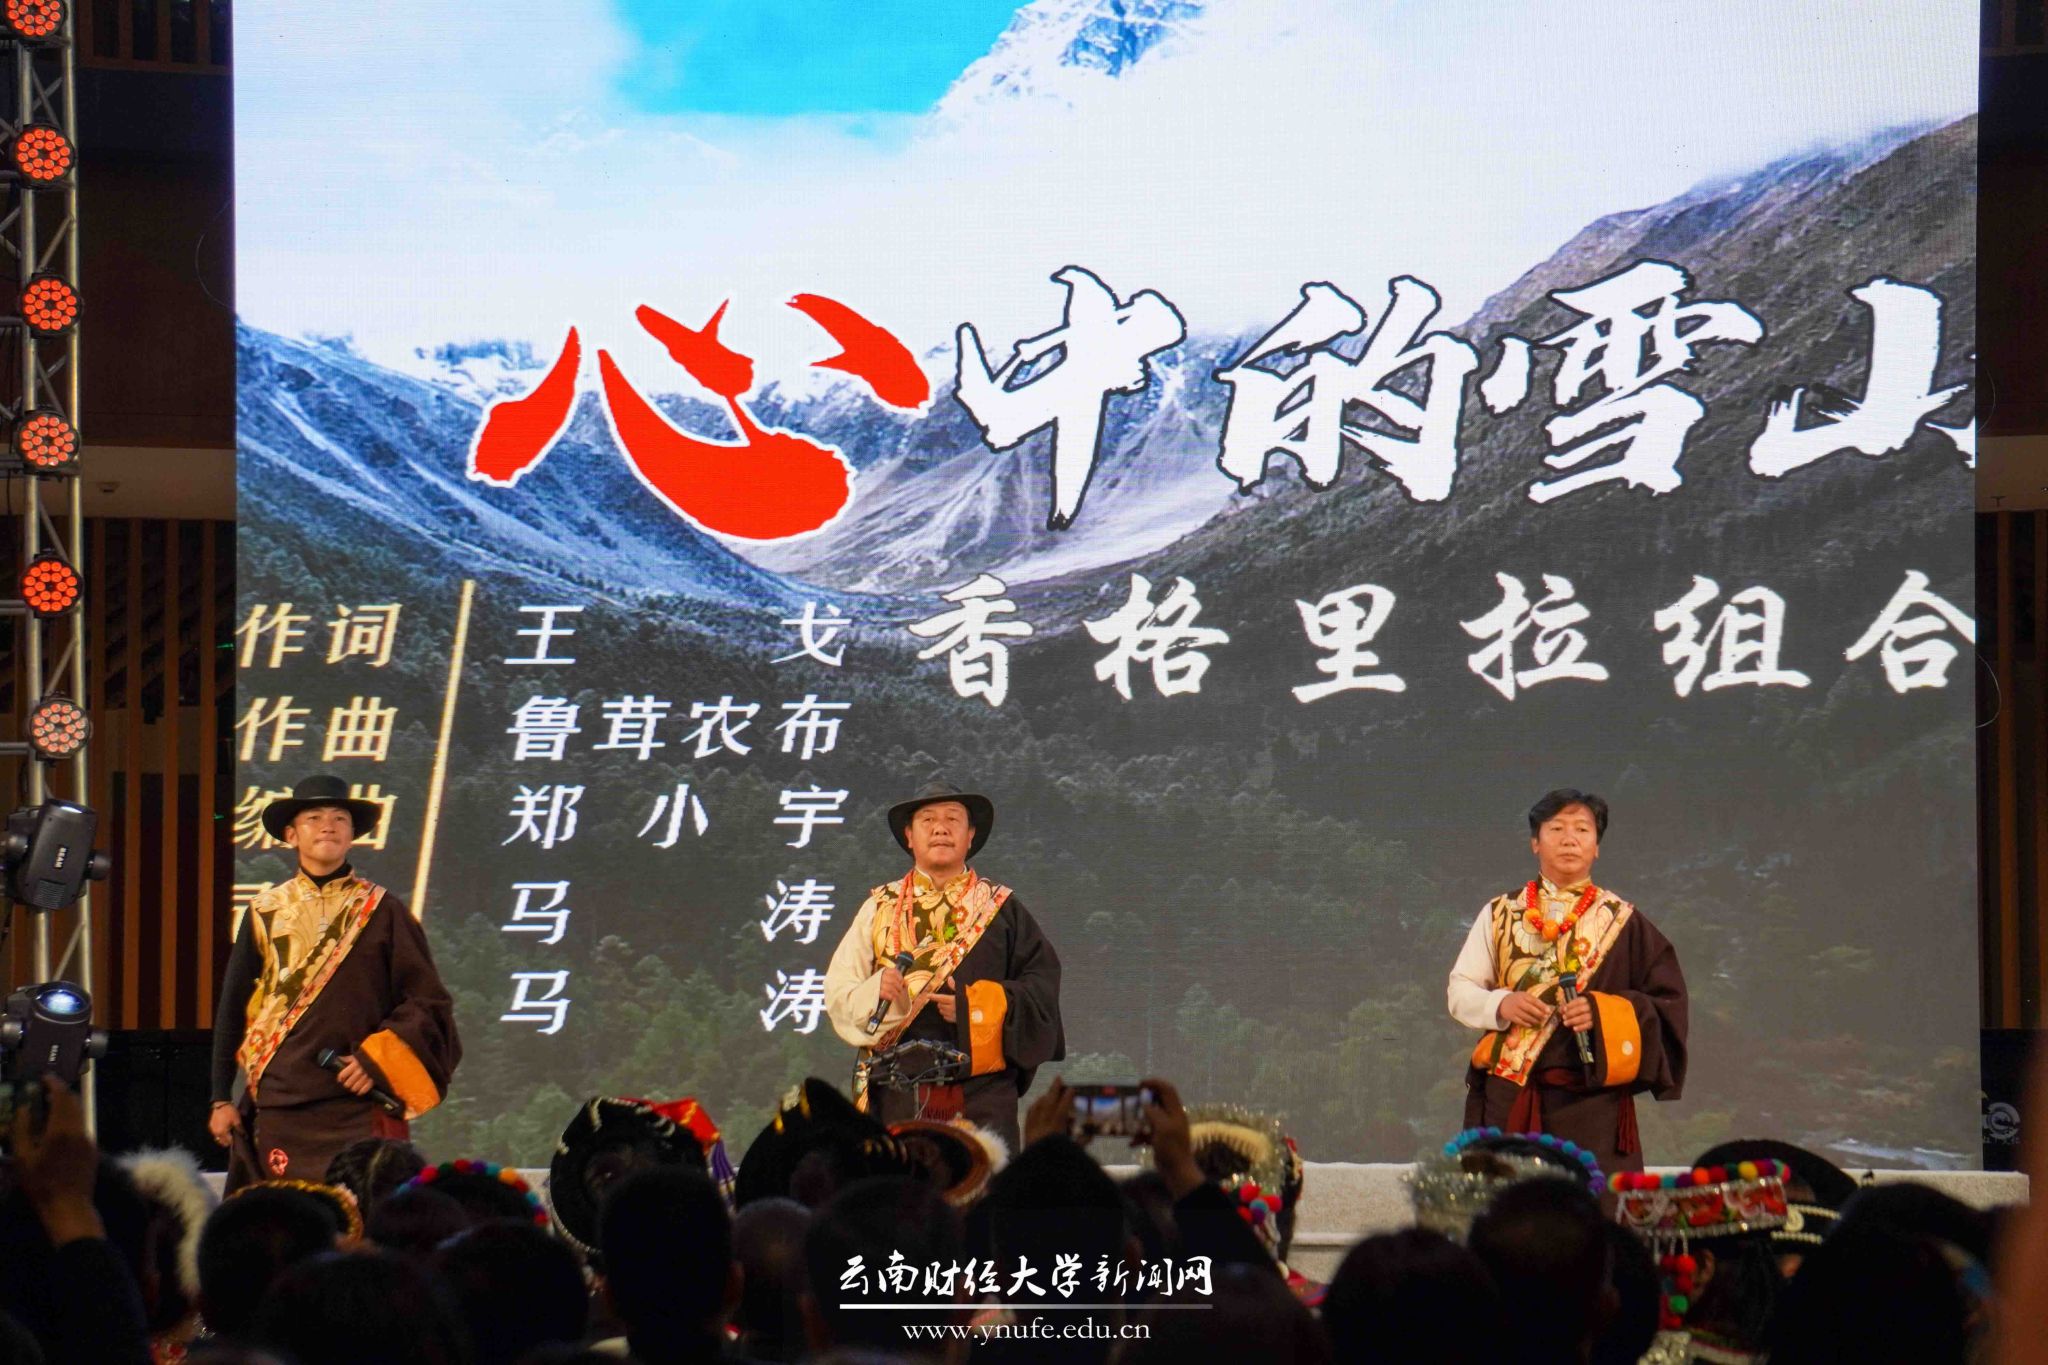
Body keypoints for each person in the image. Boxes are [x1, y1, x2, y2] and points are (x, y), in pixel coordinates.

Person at [208, 775, 462, 1189]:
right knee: (288, 1218)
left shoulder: (384, 910)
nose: (328, 825)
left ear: (352, 834)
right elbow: (233, 1005)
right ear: (292, 834)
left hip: (355, 1099)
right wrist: (220, 1097)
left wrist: (375, 1061)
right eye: (314, 817)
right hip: (282, 1100)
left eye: (339, 818)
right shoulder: (264, 911)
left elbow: (427, 1002)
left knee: (366, 1215)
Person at [1447, 789, 1688, 1174]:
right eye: (1556, 828)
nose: (1569, 839)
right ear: (1535, 843)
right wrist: (1501, 1004)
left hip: (1593, 1105)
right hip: (1509, 1095)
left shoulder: (1625, 923)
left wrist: (1602, 1013)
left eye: (1582, 829)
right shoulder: (1499, 913)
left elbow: (1667, 1006)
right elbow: (1460, 990)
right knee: (1507, 1205)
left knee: (1590, 1208)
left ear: (1597, 847)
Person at [824, 778, 1064, 1150]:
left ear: (970, 835)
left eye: (952, 819)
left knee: (983, 1185)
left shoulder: (1002, 909)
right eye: (928, 820)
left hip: (982, 1095)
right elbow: (838, 991)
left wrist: (974, 1008)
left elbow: (1041, 992)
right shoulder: (879, 907)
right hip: (896, 1092)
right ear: (909, 836)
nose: (940, 828)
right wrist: (876, 991)